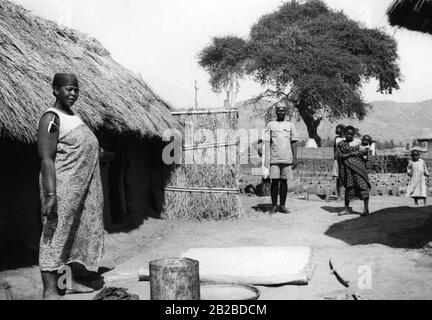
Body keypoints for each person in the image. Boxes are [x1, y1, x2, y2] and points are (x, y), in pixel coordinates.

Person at [37, 73, 104, 300]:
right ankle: (50, 291)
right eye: (68, 89)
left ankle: (68, 282)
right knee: (54, 235)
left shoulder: (73, 116)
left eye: (76, 89)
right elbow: (46, 157)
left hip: (80, 188)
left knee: (72, 235)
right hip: (61, 187)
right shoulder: (51, 118)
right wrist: (50, 194)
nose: (73, 93)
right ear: (55, 90)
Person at [263, 105, 298, 214]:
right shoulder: (270, 124)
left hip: (286, 158)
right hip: (274, 158)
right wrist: (266, 158)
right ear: (276, 112)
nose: (281, 112)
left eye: (283, 110)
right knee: (274, 183)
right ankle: (274, 206)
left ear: (285, 112)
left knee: (284, 183)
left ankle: (282, 205)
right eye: (279, 110)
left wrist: (295, 157)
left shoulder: (290, 125)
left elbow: (294, 141)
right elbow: (267, 142)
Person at [337, 126, 371, 217]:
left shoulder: (358, 142)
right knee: (348, 187)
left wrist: (364, 153)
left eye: (351, 134)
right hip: (347, 169)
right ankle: (346, 209)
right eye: (347, 134)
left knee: (363, 186)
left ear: (354, 134)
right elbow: (340, 156)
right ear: (344, 134)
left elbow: (366, 152)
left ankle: (366, 209)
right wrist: (352, 154)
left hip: (358, 168)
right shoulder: (340, 144)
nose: (349, 135)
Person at [332, 124, 345, 200]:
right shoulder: (336, 138)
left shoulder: (347, 138)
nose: (336, 130)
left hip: (345, 160)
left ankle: (346, 196)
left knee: (346, 178)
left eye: (337, 128)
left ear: (342, 129)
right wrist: (335, 157)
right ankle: (339, 196)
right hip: (337, 160)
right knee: (338, 179)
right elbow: (334, 148)